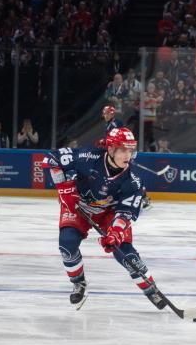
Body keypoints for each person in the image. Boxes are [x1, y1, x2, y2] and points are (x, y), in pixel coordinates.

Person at [42, 127, 169, 310]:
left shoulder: (134, 181)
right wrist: (64, 188)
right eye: (123, 150)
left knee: (124, 252)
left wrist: (115, 233)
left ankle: (151, 289)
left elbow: (125, 213)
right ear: (110, 149)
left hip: (109, 212)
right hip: (79, 205)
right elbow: (52, 158)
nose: (128, 155)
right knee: (67, 243)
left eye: (131, 150)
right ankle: (79, 283)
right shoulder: (88, 157)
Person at [100, 105, 153, 210]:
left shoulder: (115, 124)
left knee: (130, 176)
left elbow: (120, 140)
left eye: (107, 113)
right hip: (118, 154)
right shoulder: (109, 124)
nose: (105, 115)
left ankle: (143, 198)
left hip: (122, 154)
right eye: (105, 114)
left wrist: (126, 152)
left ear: (111, 114)